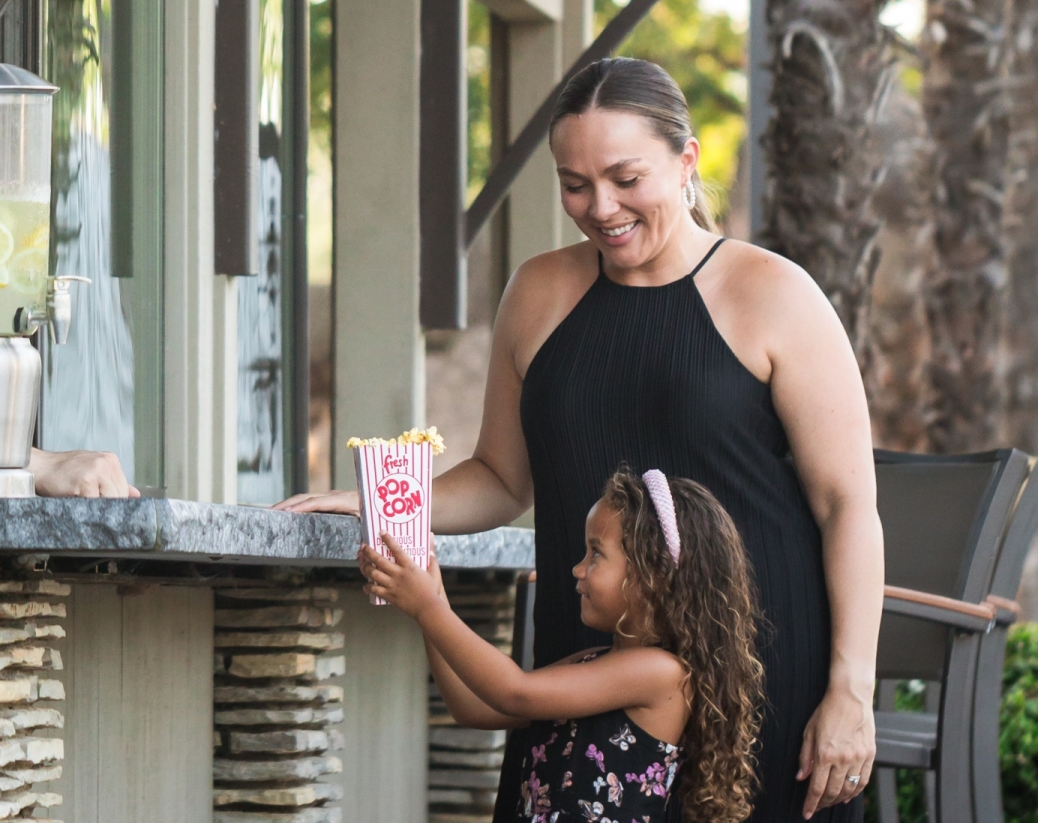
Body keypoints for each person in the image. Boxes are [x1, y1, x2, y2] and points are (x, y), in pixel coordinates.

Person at [281, 57, 884, 821]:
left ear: (686, 159)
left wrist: (850, 689)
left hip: (765, 683)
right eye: (575, 184)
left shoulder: (776, 294)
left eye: (626, 178)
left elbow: (848, 507)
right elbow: (502, 479)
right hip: (584, 675)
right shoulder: (537, 293)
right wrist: (371, 505)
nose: (601, 207)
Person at [364, 466, 764, 823]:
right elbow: (473, 707)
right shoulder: (593, 663)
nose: (578, 568)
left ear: (652, 575)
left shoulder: (660, 674)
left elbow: (513, 692)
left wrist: (429, 608)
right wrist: (433, 600)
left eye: (595, 554)